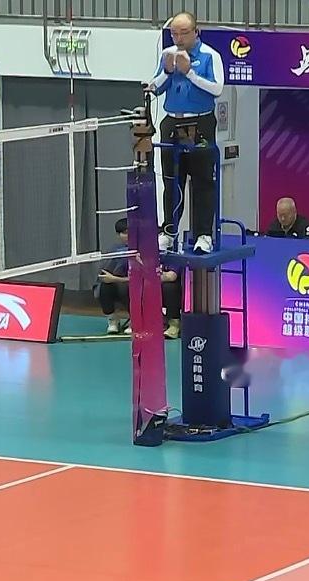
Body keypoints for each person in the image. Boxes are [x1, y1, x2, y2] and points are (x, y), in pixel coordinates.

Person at [145, 12, 224, 255]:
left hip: (200, 122)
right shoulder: (167, 54)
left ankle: (203, 235)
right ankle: (169, 232)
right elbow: (154, 87)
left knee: (202, 182)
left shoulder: (210, 55)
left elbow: (217, 88)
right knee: (171, 181)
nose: (178, 39)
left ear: (196, 32)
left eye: (183, 33)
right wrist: (167, 72)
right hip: (172, 122)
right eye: (174, 34)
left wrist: (189, 72)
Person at [96, 218, 187, 339]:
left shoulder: (172, 253)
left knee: (170, 288)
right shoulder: (133, 252)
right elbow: (133, 275)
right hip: (141, 286)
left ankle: (174, 324)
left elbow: (171, 276)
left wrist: (117, 279)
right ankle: (117, 320)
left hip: (159, 288)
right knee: (110, 287)